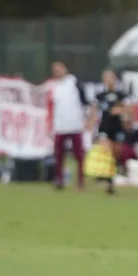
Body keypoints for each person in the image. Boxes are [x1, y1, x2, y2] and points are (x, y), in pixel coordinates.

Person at [47, 62, 90, 190]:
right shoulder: (54, 86)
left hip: (75, 124)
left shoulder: (74, 82)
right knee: (59, 155)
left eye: (59, 69)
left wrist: (87, 118)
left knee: (79, 155)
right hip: (60, 126)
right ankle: (59, 179)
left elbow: (85, 101)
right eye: (55, 70)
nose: (57, 72)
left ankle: (80, 181)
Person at [93, 69, 129, 193]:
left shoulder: (121, 95)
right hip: (105, 127)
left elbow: (128, 109)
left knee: (116, 153)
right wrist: (90, 123)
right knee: (106, 152)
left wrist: (120, 111)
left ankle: (113, 177)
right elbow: (94, 110)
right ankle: (108, 180)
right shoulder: (100, 95)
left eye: (110, 77)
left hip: (117, 127)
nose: (108, 80)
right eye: (106, 78)